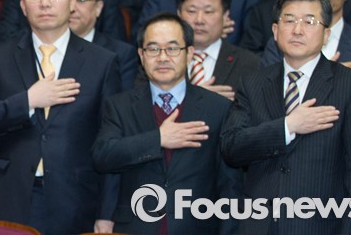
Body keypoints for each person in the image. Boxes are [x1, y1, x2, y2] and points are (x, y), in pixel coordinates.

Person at [0, 0, 121, 235]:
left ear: (72, 1)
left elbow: (110, 143)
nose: (45, 2)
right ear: (22, 5)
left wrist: (107, 213)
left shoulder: (102, 62)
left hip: (76, 198)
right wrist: (27, 101)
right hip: (13, 197)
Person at [221, 0, 351, 234]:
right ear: (275, 30)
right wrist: (287, 126)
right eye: (289, 20)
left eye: (309, 21)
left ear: (326, 34)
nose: (298, 30)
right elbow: (231, 148)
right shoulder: (253, 83)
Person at [92, 13, 240, 235]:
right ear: (141, 55)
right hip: (136, 227)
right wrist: (158, 139)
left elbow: (229, 185)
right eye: (153, 49)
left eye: (172, 48)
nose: (162, 57)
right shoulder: (120, 106)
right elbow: (102, 157)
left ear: (189, 53)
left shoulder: (218, 108)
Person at [176, 0, 259, 100]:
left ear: (225, 16)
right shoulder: (161, 58)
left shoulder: (249, 64)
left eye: (208, 11)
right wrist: (197, 96)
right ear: (179, 14)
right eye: (192, 11)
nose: (199, 20)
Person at [70, 0, 138, 89]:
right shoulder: (43, 49)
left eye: (81, 0)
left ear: (98, 8)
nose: (72, 8)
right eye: (68, 0)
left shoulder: (121, 54)